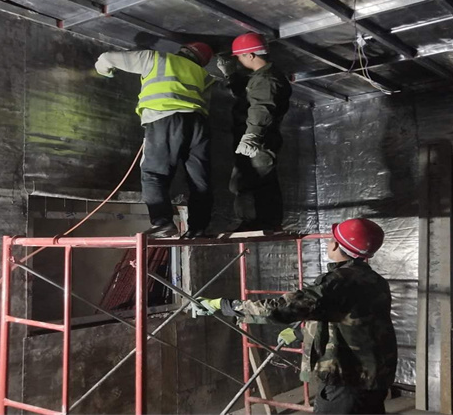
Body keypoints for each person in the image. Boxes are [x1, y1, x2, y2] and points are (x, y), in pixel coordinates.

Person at [194, 218, 397, 414]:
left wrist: (224, 305)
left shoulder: (338, 282)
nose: (329, 243)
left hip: (347, 379)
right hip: (375, 376)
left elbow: (281, 308)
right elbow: (348, 320)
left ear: (337, 245)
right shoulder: (375, 280)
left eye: (331, 240)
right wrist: (299, 333)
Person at [95, 43, 215, 238]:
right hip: (198, 124)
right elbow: (205, 104)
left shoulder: (157, 59)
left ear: (183, 50)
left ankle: (163, 223)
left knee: (154, 174)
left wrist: (105, 72)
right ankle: (198, 228)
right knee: (199, 180)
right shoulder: (205, 76)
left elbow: (106, 58)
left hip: (164, 118)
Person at [217, 33, 292, 232]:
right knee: (258, 180)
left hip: (259, 139)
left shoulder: (266, 79)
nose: (238, 61)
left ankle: (256, 222)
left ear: (250, 55)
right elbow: (247, 97)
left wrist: (253, 135)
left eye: (239, 57)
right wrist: (231, 75)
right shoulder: (262, 77)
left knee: (248, 180)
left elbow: (262, 107)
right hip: (260, 137)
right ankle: (265, 222)